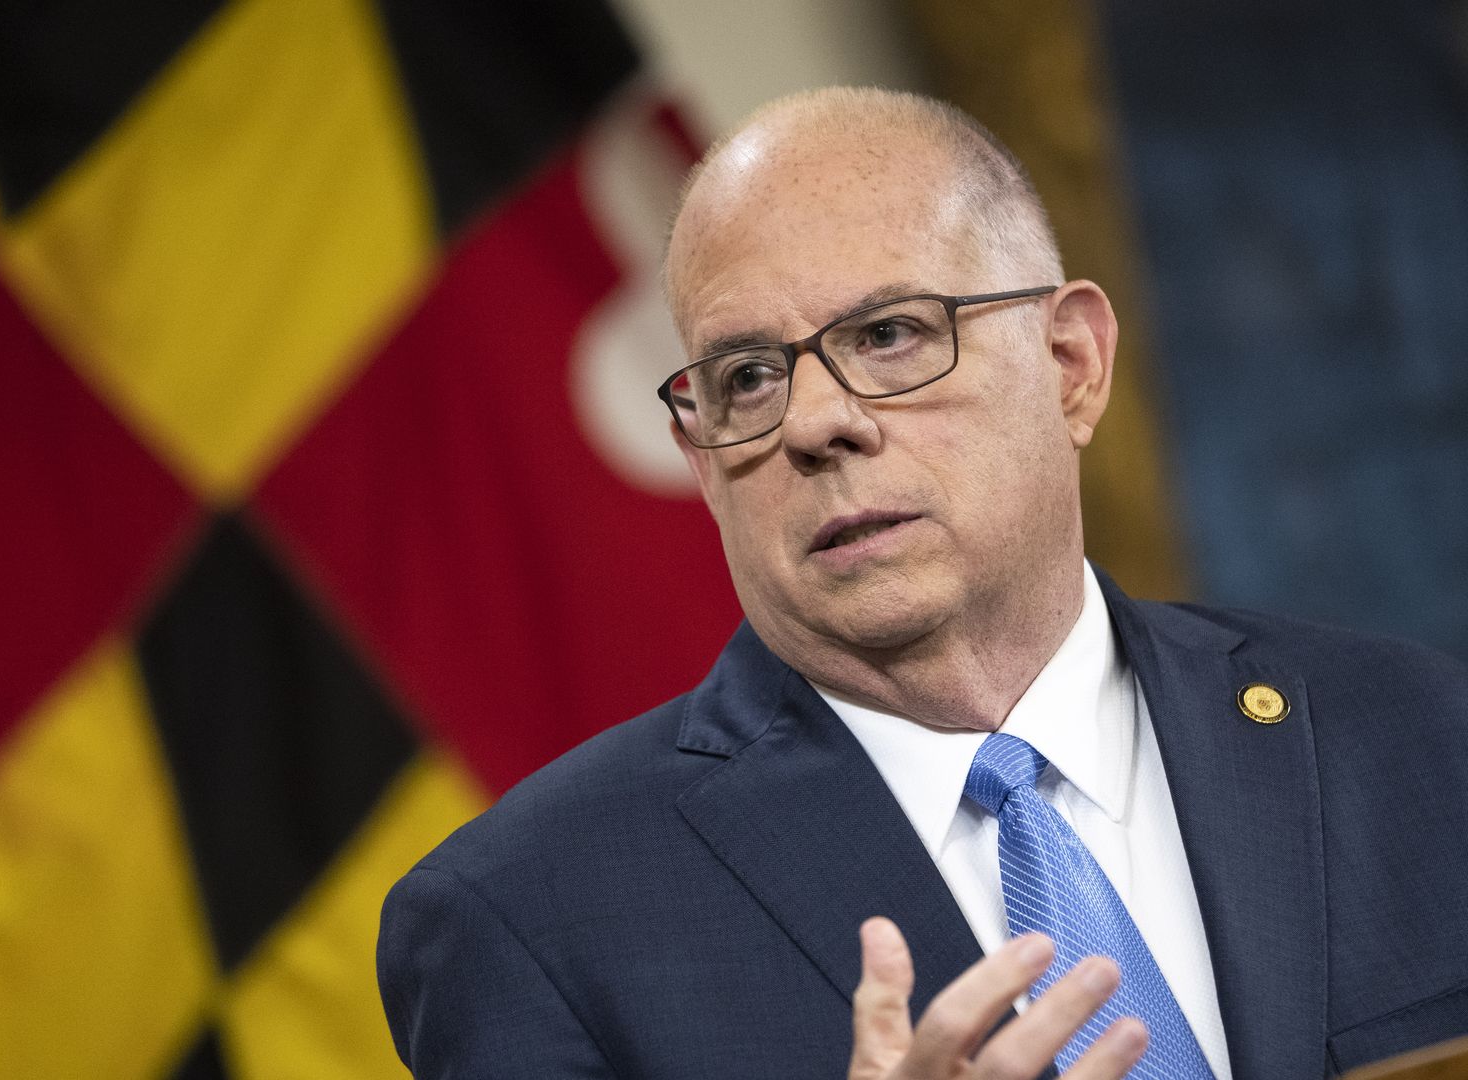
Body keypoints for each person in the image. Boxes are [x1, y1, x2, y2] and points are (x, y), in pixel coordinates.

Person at [375, 87, 1468, 1080]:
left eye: (890, 334)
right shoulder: (525, 924)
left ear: (1072, 366)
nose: (814, 423)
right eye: (746, 378)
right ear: (702, 461)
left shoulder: (1421, 736)